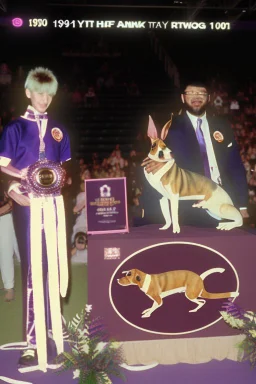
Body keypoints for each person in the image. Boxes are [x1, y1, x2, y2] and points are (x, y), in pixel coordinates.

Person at [0, 67, 71, 369]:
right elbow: (3, 164)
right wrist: (14, 186)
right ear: (28, 93)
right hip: (28, 205)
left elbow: (65, 172)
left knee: (55, 265)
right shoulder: (14, 128)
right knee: (33, 271)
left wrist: (60, 182)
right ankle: (32, 341)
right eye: (39, 92)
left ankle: (55, 330)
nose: (44, 99)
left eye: (49, 94)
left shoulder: (59, 129)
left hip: (54, 206)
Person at [141, 81, 248, 227]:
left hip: (223, 199)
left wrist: (242, 206)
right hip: (188, 204)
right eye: (191, 92)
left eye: (201, 92)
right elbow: (154, 160)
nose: (196, 96)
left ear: (208, 98)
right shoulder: (169, 127)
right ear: (182, 97)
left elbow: (235, 167)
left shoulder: (222, 126)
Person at [0, 174, 20, 302]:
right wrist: (9, 205)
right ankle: (9, 287)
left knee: (22, 249)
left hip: (15, 215)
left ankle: (35, 280)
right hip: (3, 218)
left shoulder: (4, 176)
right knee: (5, 252)